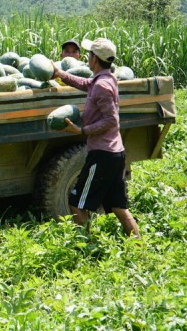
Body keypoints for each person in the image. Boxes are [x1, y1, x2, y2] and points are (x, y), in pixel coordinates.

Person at [52, 37, 140, 238]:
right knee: (119, 207)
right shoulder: (105, 79)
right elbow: (85, 83)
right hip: (114, 152)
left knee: (76, 203)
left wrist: (81, 131)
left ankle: (87, 247)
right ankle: (138, 248)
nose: (88, 57)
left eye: (90, 54)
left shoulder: (102, 85)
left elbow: (111, 120)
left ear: (94, 59)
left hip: (103, 155)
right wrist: (60, 75)